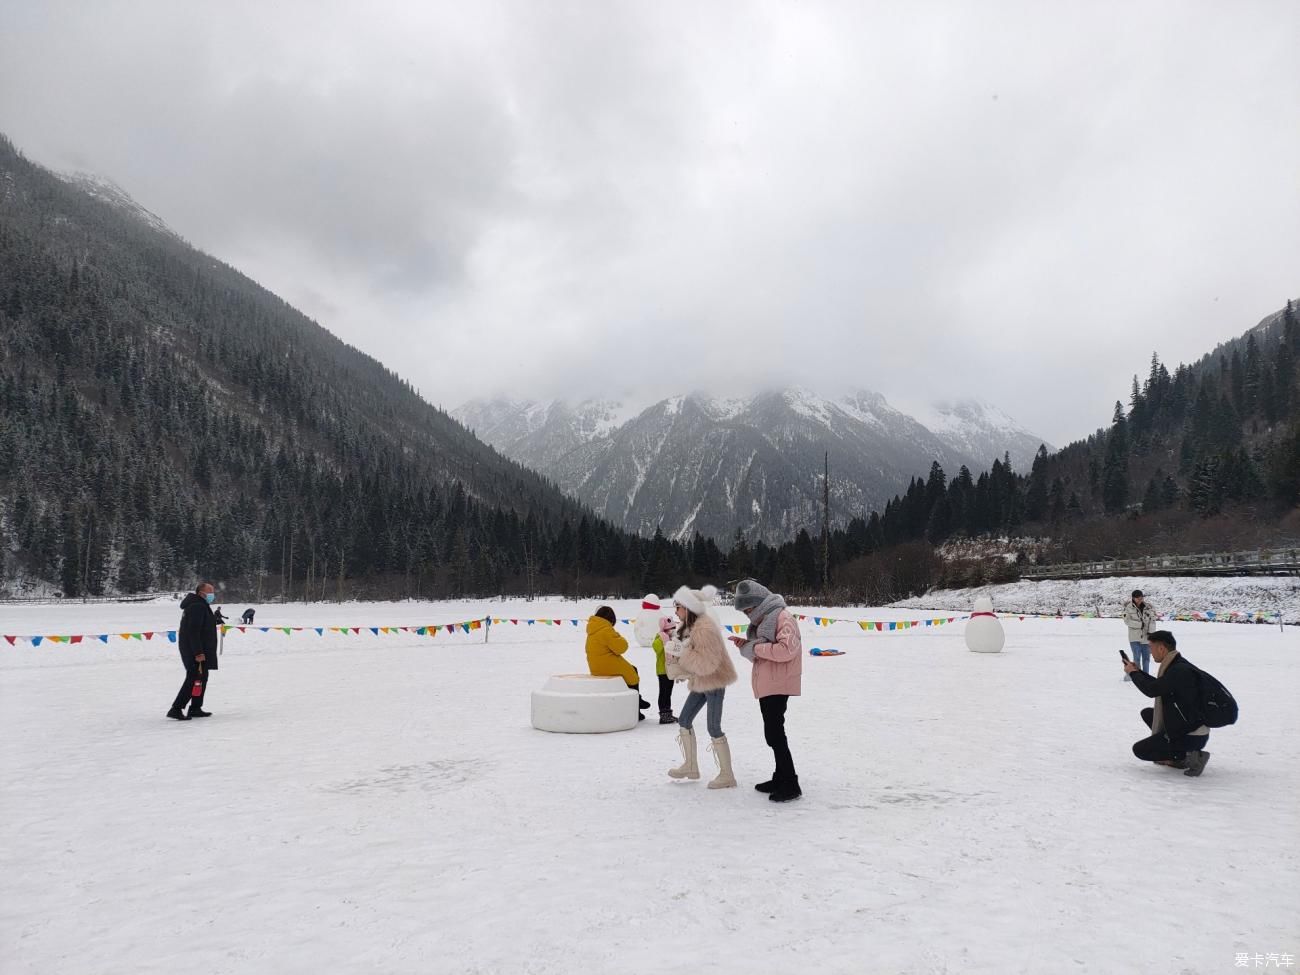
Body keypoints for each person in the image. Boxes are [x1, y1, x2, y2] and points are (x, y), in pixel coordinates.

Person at [728, 579, 803, 802]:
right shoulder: (765, 620)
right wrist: (746, 645)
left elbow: (787, 649)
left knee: (775, 734)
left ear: (759, 602)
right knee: (773, 734)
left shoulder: (782, 617)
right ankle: (780, 777)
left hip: (779, 684)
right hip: (769, 683)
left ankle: (790, 783)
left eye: (748, 609)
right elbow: (764, 649)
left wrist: (755, 647)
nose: (747, 614)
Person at [663, 585, 737, 788]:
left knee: (713, 727)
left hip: (714, 680)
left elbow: (707, 663)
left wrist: (681, 654)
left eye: (677, 606)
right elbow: (688, 656)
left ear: (687, 608)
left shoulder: (705, 628)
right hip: (700, 680)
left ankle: (727, 775)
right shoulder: (687, 627)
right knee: (685, 719)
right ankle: (691, 766)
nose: (675, 611)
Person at [1124, 630, 1210, 777]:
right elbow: (1159, 686)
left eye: (1151, 647)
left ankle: (1189, 757)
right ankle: (1178, 750)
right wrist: (1138, 672)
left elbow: (1151, 690)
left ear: (1161, 648)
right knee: (1147, 713)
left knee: (1141, 750)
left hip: (1192, 734)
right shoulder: (1176, 664)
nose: (1150, 652)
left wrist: (1133, 674)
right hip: (1189, 724)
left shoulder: (1177, 670)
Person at [585, 606, 650, 721]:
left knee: (631, 669)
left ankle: (637, 700)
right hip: (607, 665)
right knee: (632, 673)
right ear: (610, 619)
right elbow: (621, 648)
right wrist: (619, 637)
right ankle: (636, 706)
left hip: (596, 667)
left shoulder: (592, 630)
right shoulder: (606, 630)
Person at [169, 581, 219, 720]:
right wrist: (198, 652)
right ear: (201, 593)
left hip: (200, 648)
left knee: (201, 678)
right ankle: (176, 708)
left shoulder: (201, 605)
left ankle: (195, 707)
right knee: (193, 677)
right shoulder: (197, 606)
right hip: (194, 650)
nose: (212, 595)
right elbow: (193, 631)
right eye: (210, 592)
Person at [1121, 589, 1156, 680]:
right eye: (1138, 598)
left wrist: (1151, 633)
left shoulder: (1149, 607)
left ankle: (1146, 676)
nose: (1140, 600)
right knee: (1136, 658)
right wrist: (1140, 624)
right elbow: (1127, 621)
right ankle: (1137, 676)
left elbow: (1153, 620)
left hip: (1146, 637)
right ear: (1133, 598)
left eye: (1141, 598)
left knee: (1146, 659)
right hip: (1134, 637)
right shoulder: (1128, 608)